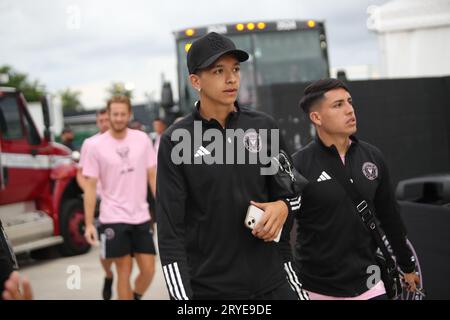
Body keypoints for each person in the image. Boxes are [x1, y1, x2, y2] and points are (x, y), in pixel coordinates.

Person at [156, 32, 308, 300]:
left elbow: (293, 193)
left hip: (271, 282)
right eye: (218, 71)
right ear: (195, 81)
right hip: (211, 291)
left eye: (235, 69)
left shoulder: (263, 126)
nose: (231, 78)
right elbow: (170, 234)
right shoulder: (176, 141)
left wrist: (282, 207)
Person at [288, 78, 420, 300]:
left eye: (349, 102)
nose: (349, 110)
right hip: (317, 288)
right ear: (316, 117)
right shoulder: (298, 164)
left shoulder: (373, 157)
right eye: (338, 105)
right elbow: (281, 231)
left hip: (370, 283)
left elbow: (391, 218)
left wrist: (407, 266)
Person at [83, 96, 158, 300]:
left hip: (141, 215)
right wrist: (89, 223)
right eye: (114, 114)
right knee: (124, 271)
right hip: (113, 217)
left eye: (122, 114)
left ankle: (135, 297)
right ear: (108, 115)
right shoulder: (94, 145)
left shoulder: (142, 140)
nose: (118, 118)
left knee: (149, 269)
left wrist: (163, 208)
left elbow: (153, 176)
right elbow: (90, 187)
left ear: (129, 114)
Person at [76, 108, 115, 300]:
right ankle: (109, 275)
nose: (103, 122)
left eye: (106, 119)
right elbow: (80, 173)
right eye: (100, 120)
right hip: (101, 203)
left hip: (123, 202)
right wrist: (90, 190)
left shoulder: (123, 140)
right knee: (105, 248)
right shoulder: (90, 144)